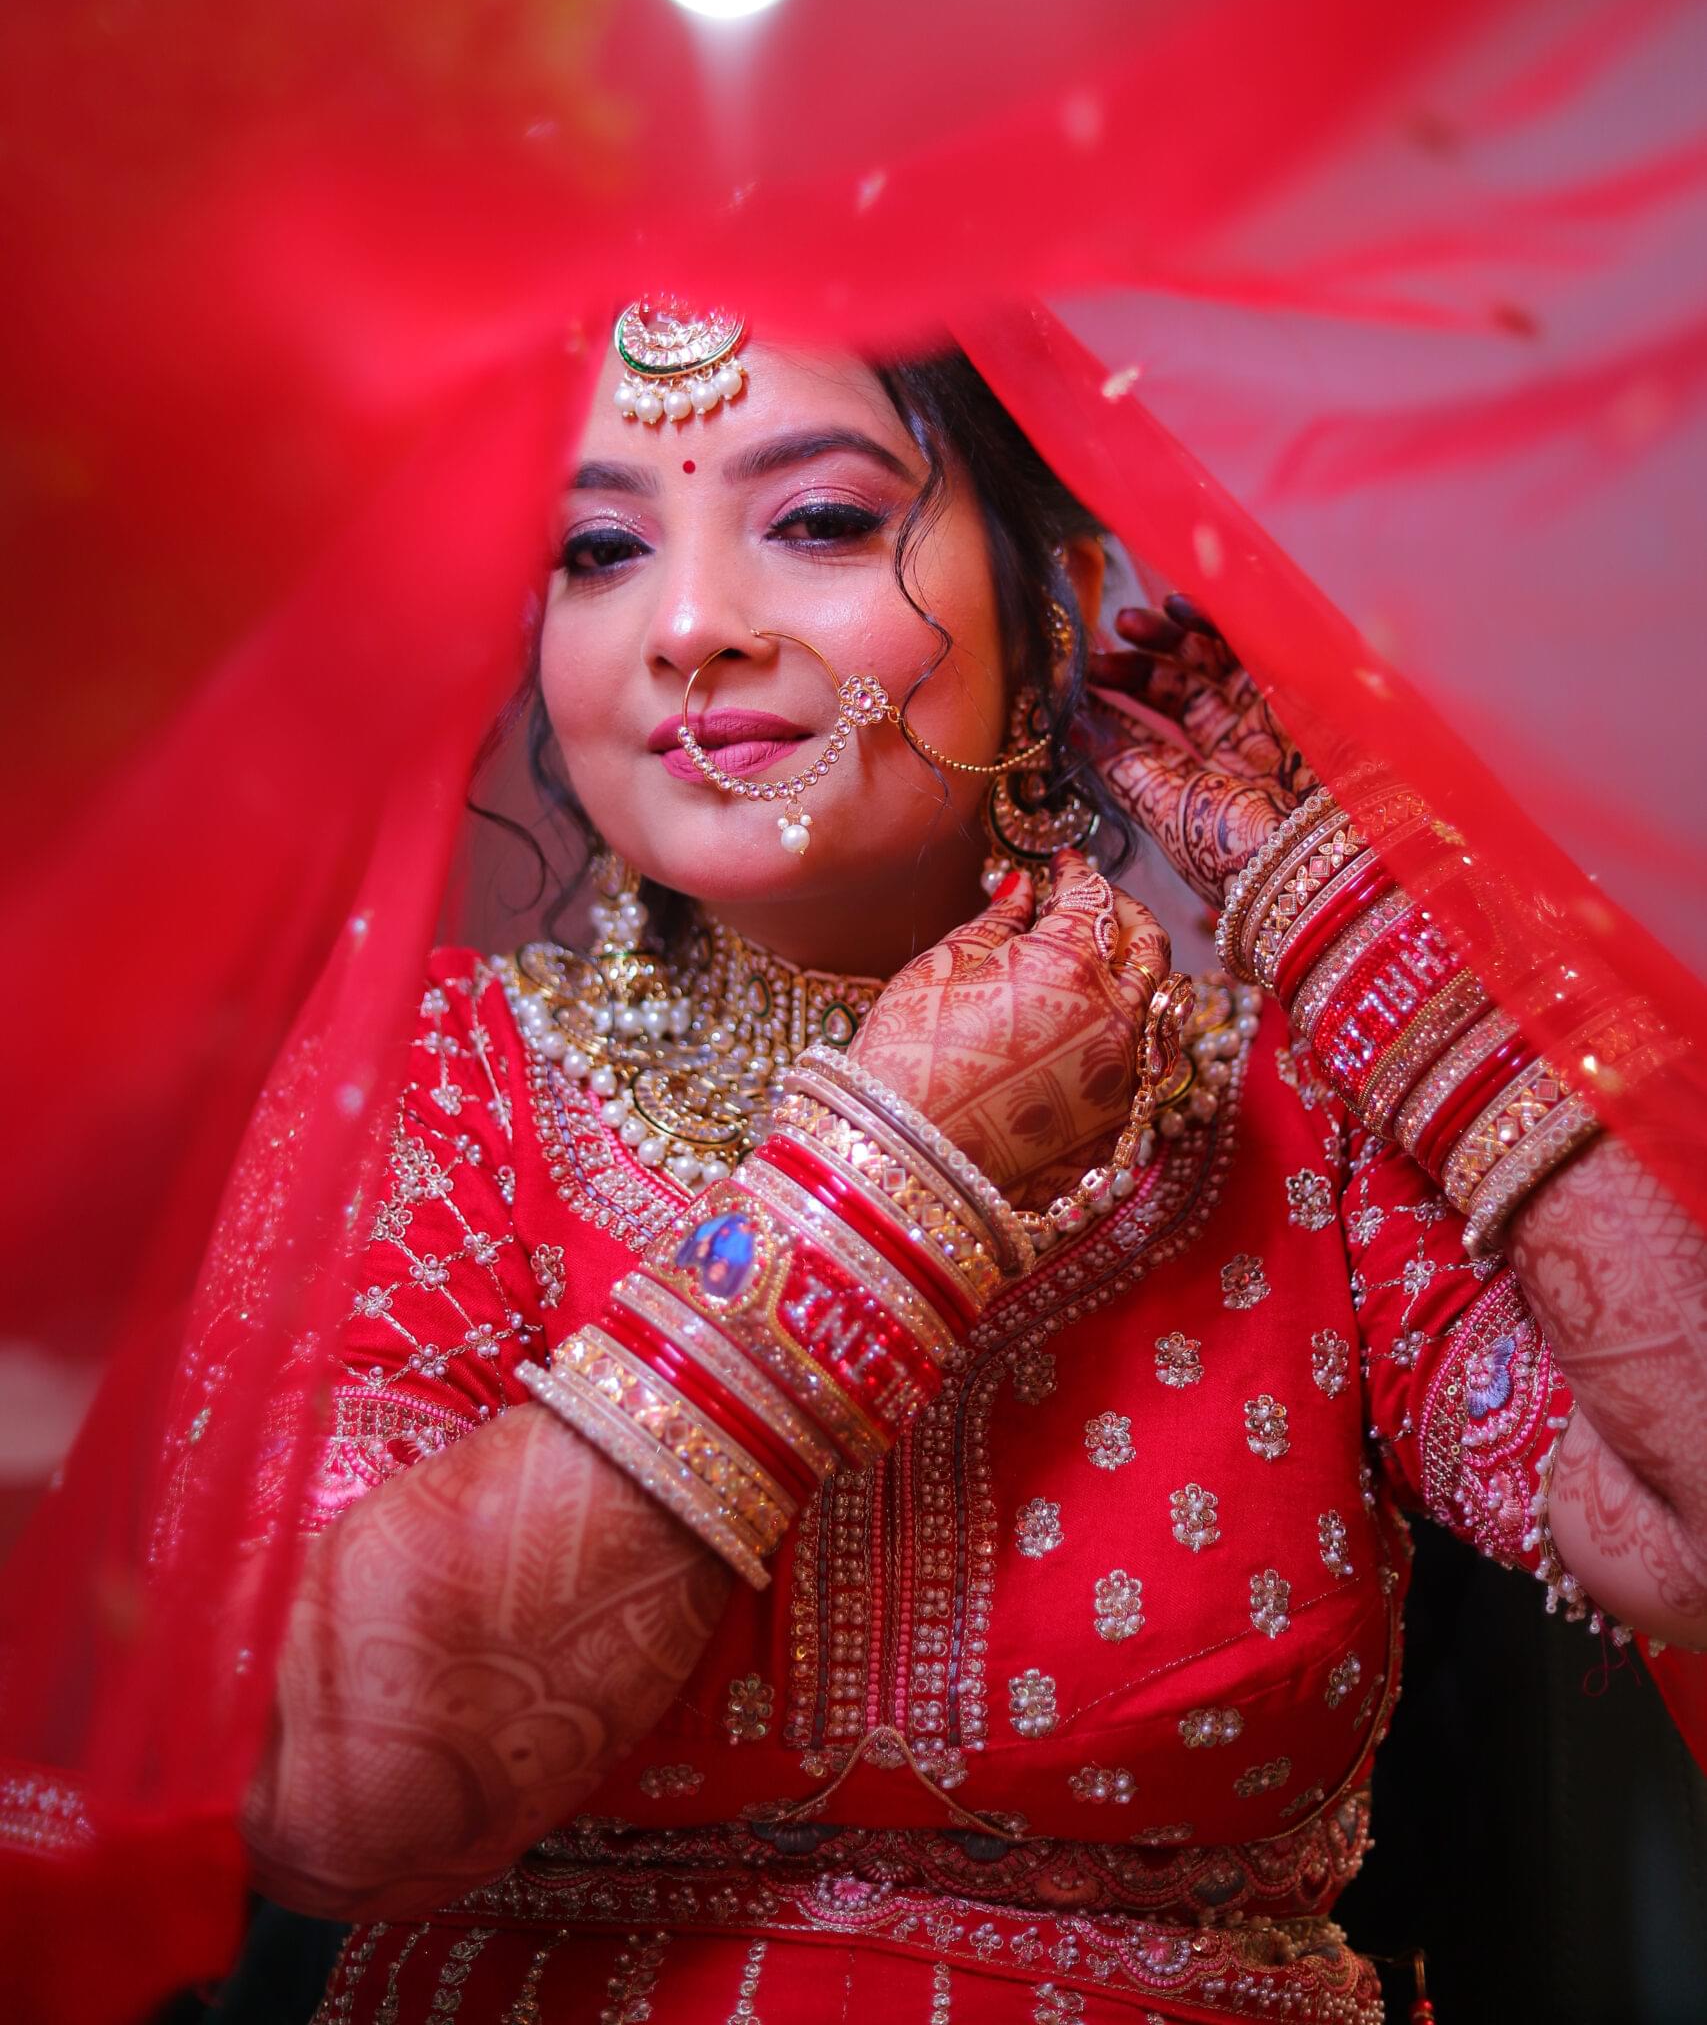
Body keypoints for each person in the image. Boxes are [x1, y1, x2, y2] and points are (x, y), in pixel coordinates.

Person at [216, 310, 1707, 2025]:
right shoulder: (441, 1084)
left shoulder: (1287, 1123)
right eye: (599, 549)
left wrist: (1348, 916)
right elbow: (318, 1797)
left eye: (821, 520)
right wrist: (885, 1176)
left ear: (1053, 599)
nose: (688, 626)